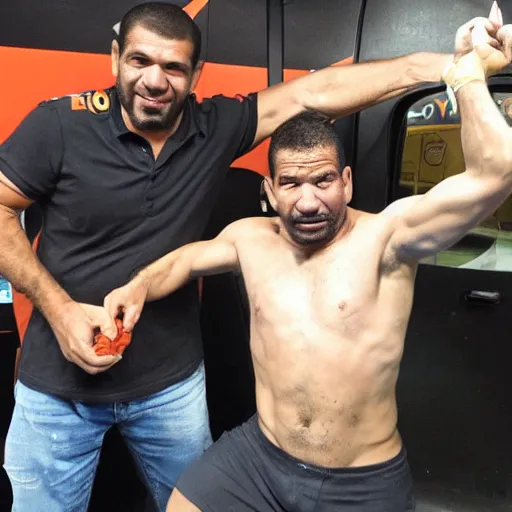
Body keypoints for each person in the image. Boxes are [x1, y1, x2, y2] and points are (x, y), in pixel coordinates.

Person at [0, 1, 462, 510]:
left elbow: (314, 93)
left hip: (169, 386)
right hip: (57, 388)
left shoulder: (214, 125)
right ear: (115, 58)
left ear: (195, 74)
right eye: (139, 61)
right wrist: (58, 309)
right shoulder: (59, 125)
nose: (154, 80)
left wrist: (450, 66)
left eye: (173, 67)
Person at [102, 7, 512, 512]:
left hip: (361, 479)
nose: (309, 200)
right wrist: (137, 286)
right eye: (292, 184)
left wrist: (468, 73)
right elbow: (185, 260)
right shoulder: (251, 238)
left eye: (322, 181)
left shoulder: (389, 238)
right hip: (259, 459)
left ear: (346, 182)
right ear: (271, 191)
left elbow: (495, 172)